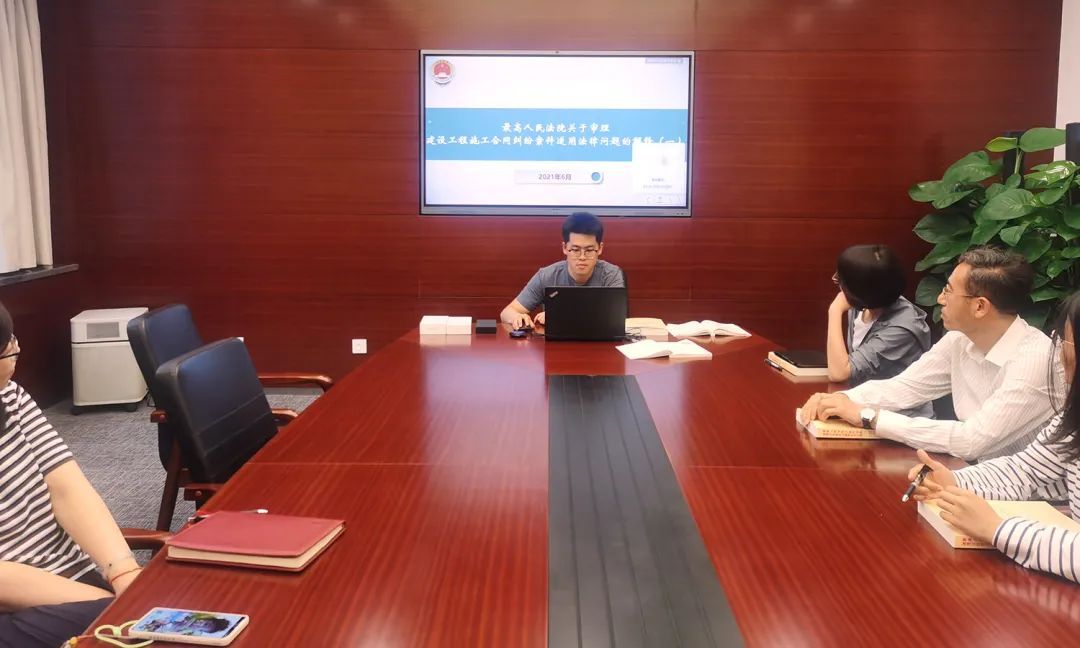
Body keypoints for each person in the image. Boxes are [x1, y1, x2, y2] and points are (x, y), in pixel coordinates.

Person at [800, 247, 1061, 462]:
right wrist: (842, 399)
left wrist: (868, 417)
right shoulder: (960, 339)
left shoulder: (1034, 362)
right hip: (976, 475)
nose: (939, 299)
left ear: (980, 307)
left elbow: (971, 441)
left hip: (1036, 499)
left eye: (948, 290)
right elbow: (906, 387)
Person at [906, 292, 1080, 583]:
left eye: (1065, 344)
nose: (1060, 355)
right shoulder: (1073, 420)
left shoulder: (1031, 357)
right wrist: (954, 481)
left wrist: (997, 529)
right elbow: (1025, 470)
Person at [0, 302, 143, 647]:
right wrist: (107, 605)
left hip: (72, 584)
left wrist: (124, 572)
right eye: (6, 353)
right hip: (16, 606)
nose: (14, 358)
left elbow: (66, 487)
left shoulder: (9, 396)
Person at [825, 245, 932, 418]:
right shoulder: (862, 306)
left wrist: (835, 310)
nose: (835, 280)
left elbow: (839, 373)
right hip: (863, 409)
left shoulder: (902, 328)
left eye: (840, 280)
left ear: (859, 292)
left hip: (901, 420)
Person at [500, 212, 625, 330]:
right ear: (565, 248)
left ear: (600, 248)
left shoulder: (611, 275)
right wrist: (517, 317)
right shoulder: (547, 276)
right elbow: (506, 312)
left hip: (600, 342)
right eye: (575, 250)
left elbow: (616, 318)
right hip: (556, 344)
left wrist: (557, 315)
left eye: (589, 250)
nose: (582, 257)